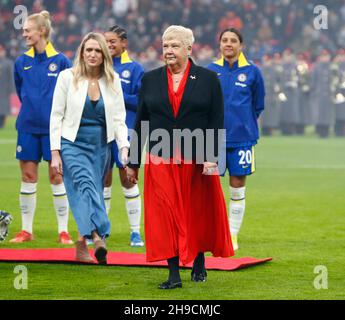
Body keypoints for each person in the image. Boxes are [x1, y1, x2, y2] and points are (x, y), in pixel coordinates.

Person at [127, 25, 233, 289]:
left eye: (175, 45)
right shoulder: (150, 80)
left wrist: (212, 157)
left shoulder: (208, 79)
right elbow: (141, 121)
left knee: (194, 212)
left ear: (189, 48)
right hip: (159, 159)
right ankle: (173, 274)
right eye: (165, 46)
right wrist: (133, 162)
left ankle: (198, 258)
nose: (169, 51)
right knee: (165, 215)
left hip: (197, 159)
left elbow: (216, 120)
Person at [50, 32, 129, 264]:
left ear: (104, 54)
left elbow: (119, 119)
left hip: (100, 147)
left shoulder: (112, 79)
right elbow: (56, 115)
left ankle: (81, 245)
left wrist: (124, 147)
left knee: (91, 193)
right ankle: (98, 236)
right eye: (89, 50)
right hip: (71, 143)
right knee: (85, 186)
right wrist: (55, 152)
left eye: (97, 50)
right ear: (82, 53)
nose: (93, 55)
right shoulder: (67, 77)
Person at [10, 11, 73, 244]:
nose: (24, 33)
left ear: (42, 32)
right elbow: (21, 91)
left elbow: (71, 95)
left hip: (55, 131)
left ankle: (63, 231)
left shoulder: (62, 61)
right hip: (27, 127)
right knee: (28, 176)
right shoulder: (21, 62)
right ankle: (26, 231)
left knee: (57, 177)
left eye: (28, 30)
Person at [207, 28, 265, 251]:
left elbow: (258, 105)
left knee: (237, 186)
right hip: (213, 139)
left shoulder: (252, 71)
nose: (228, 44)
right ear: (219, 44)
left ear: (241, 45)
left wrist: (243, 122)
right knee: (210, 187)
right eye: (224, 40)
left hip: (242, 139)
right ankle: (214, 233)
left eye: (233, 41)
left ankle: (232, 235)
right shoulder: (210, 71)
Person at [103, 25, 145, 247]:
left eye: (112, 41)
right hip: (101, 130)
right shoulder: (98, 66)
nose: (109, 45)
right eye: (106, 41)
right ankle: (103, 229)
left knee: (128, 178)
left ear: (124, 43)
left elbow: (141, 102)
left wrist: (116, 94)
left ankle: (135, 232)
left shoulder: (135, 69)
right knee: (103, 179)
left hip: (127, 131)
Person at [0, 45, 14, 129]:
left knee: (4, 106)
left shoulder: (8, 63)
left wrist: (12, 89)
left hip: (4, 89)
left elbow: (11, 76)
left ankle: (2, 123)